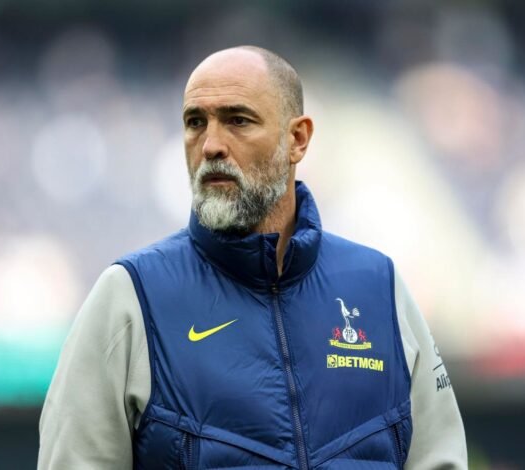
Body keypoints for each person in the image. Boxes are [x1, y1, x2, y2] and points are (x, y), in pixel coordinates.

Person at [38, 45, 467, 469]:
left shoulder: (379, 287)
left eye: (237, 121)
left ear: (297, 139)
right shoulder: (131, 296)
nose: (210, 145)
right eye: (195, 123)